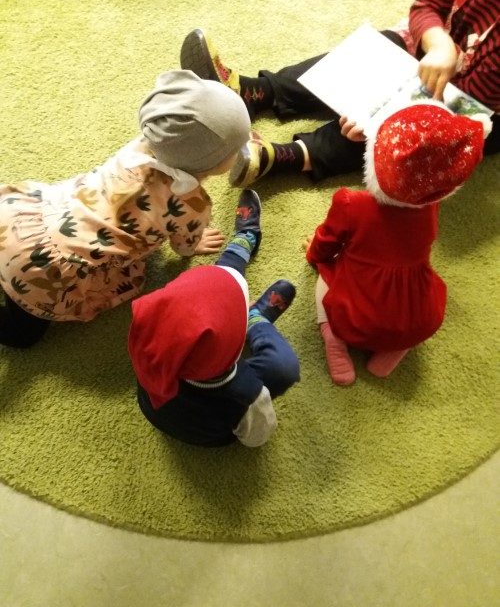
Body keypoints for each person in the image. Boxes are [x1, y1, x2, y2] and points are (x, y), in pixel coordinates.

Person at [0, 70, 251, 348]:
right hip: (46, 273)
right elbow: (183, 247)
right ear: (210, 163)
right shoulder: (193, 205)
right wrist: (193, 242)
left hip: (16, 221)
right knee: (22, 335)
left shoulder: (143, 144)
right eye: (236, 149)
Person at [180, 0, 499, 188]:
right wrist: (439, 44)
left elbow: (456, 108)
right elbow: (426, 6)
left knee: (392, 137)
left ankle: (284, 156)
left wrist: (378, 117)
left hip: (474, 108)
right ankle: (253, 92)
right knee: (371, 50)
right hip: (437, 54)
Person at [303, 101, 485, 385]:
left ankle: (333, 339)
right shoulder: (430, 206)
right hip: (414, 321)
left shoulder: (351, 203)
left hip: (357, 316)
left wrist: (314, 255)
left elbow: (327, 240)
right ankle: (393, 351)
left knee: (325, 276)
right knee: (418, 316)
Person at [128, 189, 300, 447]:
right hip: (212, 434)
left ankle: (245, 239)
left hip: (154, 408)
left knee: (213, 288)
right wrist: (244, 317)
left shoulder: (144, 339)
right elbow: (256, 438)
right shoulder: (247, 395)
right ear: (235, 350)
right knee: (284, 367)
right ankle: (256, 320)